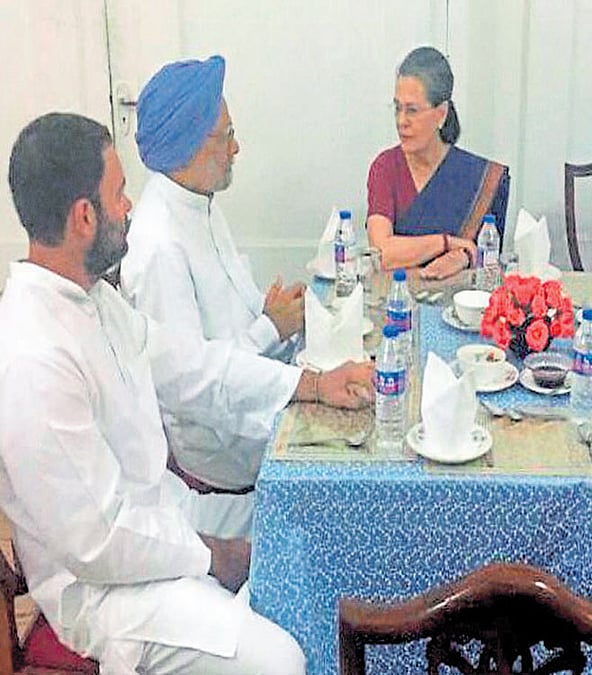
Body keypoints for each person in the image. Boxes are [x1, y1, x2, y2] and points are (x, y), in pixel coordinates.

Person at [0, 112, 373, 673]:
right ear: (83, 217)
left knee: (307, 522)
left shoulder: (92, 300)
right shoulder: (35, 352)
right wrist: (212, 556)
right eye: (119, 194)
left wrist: (311, 384)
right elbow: (99, 541)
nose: (130, 207)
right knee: (280, 660)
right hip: (105, 593)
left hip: (165, 518)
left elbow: (191, 366)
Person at [120, 55, 303, 364]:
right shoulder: (160, 245)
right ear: (188, 145)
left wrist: (271, 311)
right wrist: (271, 327)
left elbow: (232, 321)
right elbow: (190, 382)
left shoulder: (199, 203)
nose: (236, 148)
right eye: (227, 135)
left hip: (252, 380)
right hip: (218, 409)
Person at [366, 46, 510, 280]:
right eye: (397, 108)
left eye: (412, 110)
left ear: (441, 113)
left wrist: (464, 256)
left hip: (461, 303)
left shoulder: (480, 177)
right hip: (397, 302)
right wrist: (446, 243)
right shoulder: (385, 167)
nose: (401, 121)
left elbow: (487, 255)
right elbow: (381, 253)